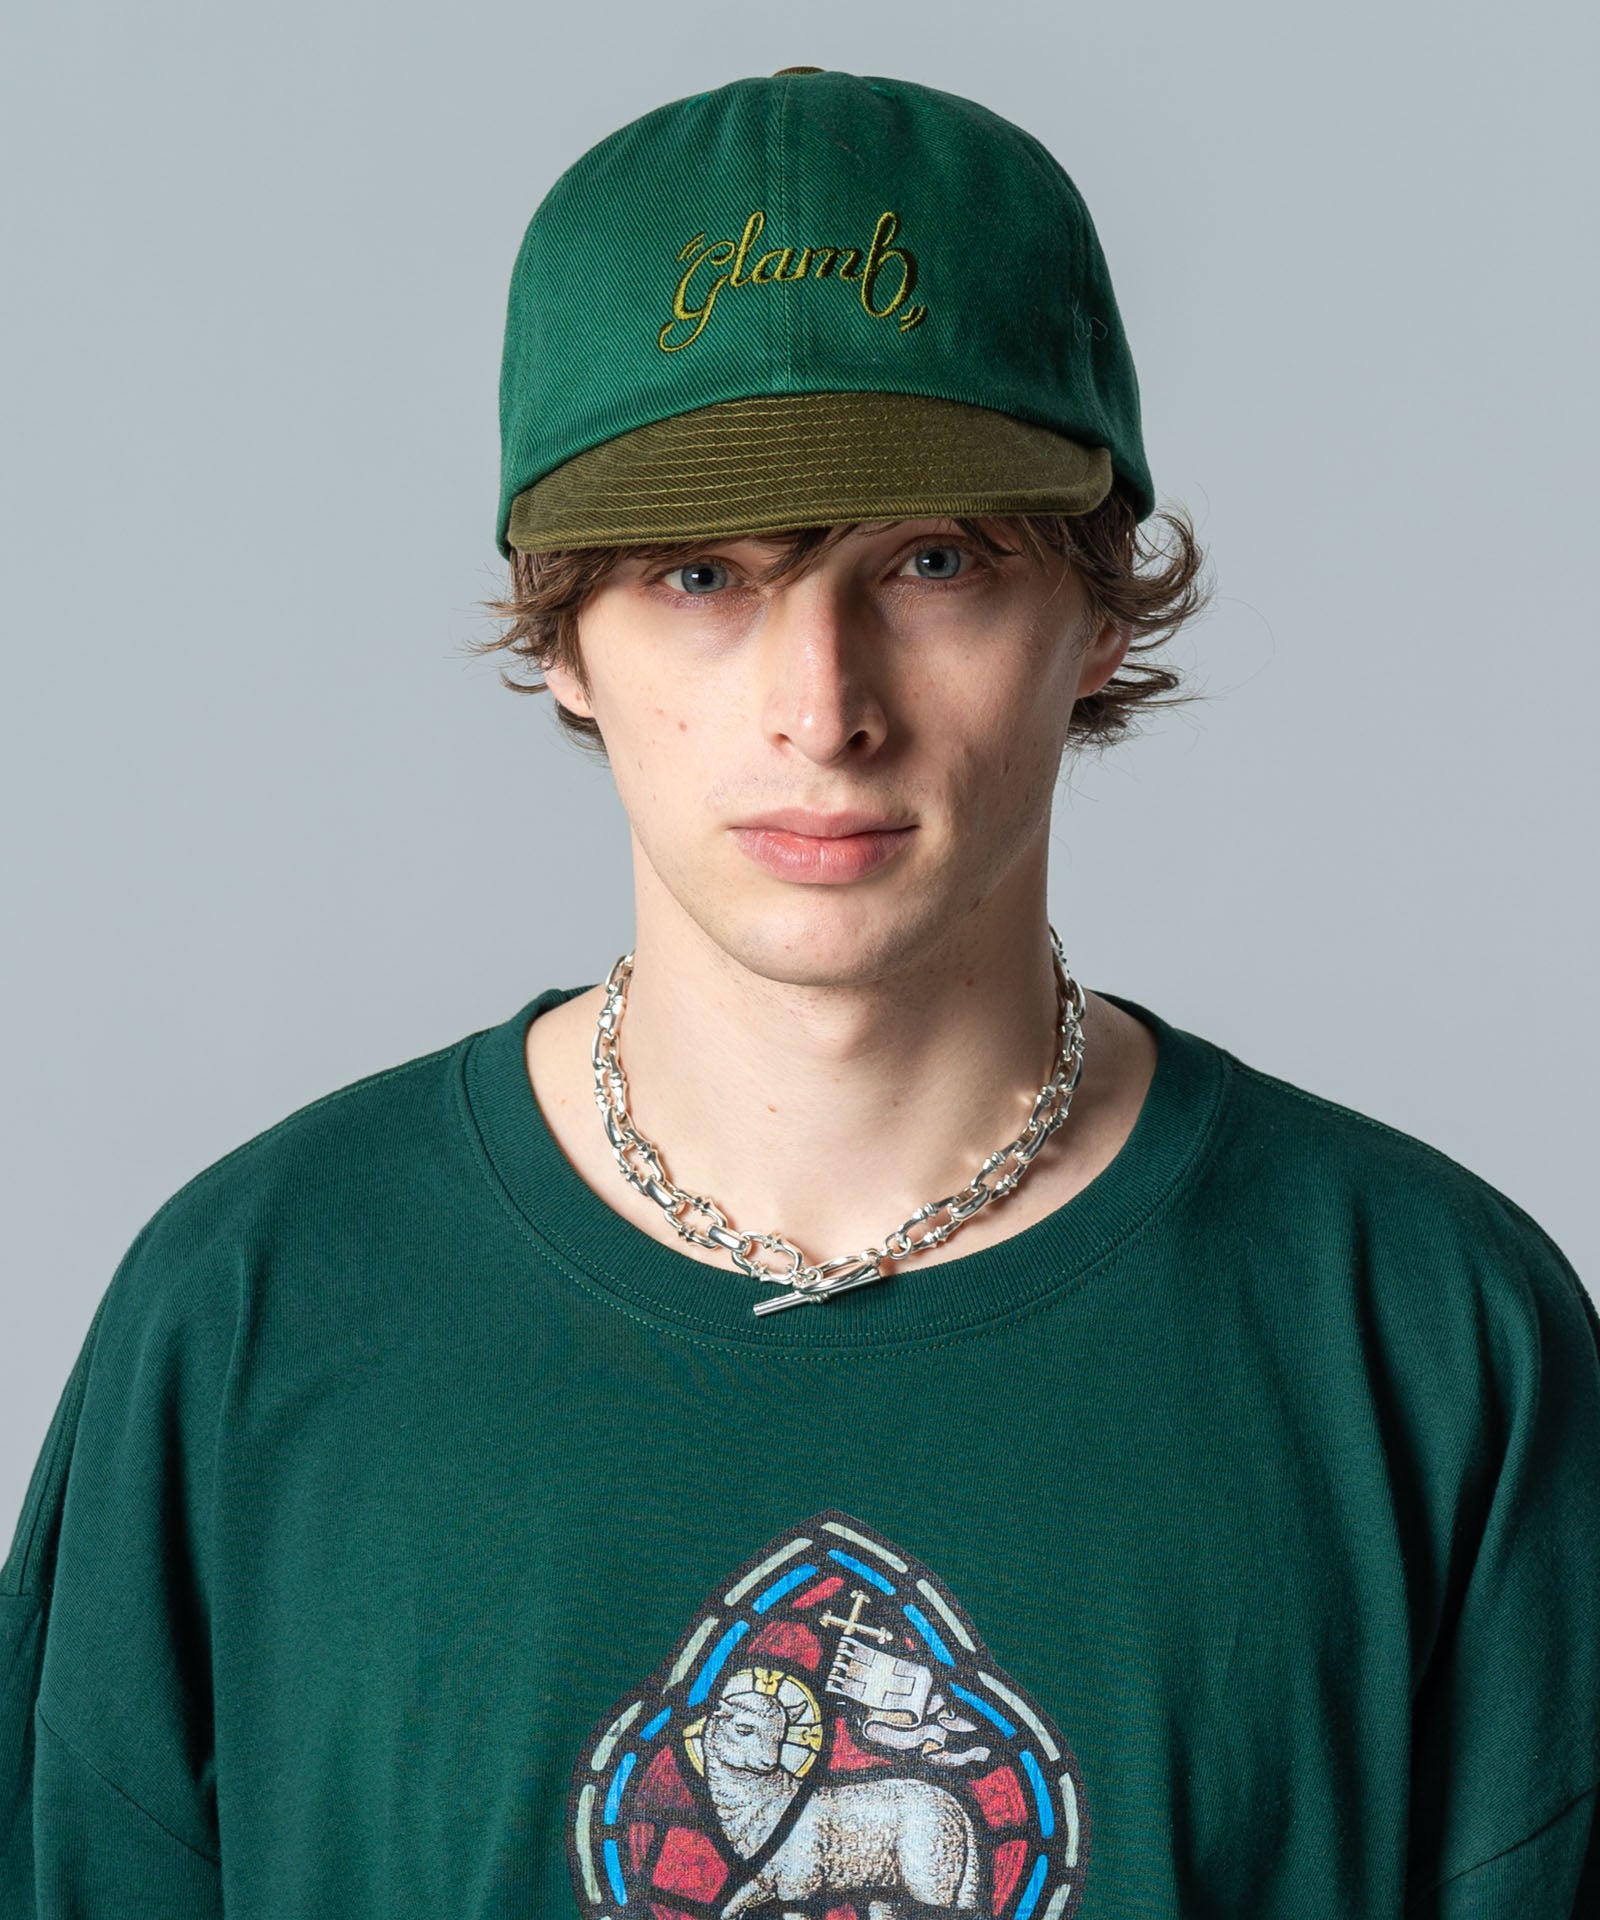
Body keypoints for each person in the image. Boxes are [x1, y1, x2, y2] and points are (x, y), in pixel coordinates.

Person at [3, 64, 1597, 1920]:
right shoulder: (252, 1319)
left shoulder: (1426, 1341)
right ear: (564, 631)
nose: (822, 706)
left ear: (1097, 609)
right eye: (701, 574)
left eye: (932, 561)